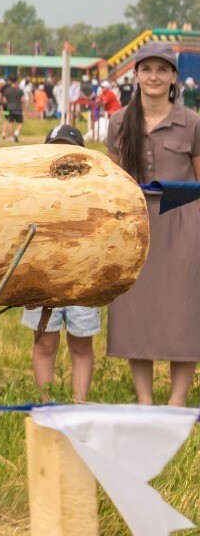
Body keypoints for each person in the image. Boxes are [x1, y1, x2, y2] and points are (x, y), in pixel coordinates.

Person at [105, 42, 200, 405]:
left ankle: (177, 402)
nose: (154, 76)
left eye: (163, 70)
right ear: (136, 75)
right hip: (136, 228)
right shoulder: (118, 121)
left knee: (184, 312)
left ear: (175, 77)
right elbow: (112, 179)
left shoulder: (191, 122)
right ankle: (144, 400)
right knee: (136, 311)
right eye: (147, 69)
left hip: (182, 228)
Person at [21, 123, 100, 401]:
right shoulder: (34, 191)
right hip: (43, 275)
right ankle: (47, 403)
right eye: (56, 150)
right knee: (44, 342)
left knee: (81, 342)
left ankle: (79, 403)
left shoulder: (93, 193)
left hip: (82, 275)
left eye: (70, 151)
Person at [0, 76, 26, 143]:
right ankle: (16, 132)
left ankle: (11, 136)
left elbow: (4, 100)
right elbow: (23, 100)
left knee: (10, 122)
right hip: (18, 108)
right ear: (16, 82)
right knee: (20, 122)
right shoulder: (20, 90)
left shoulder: (6, 90)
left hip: (9, 109)